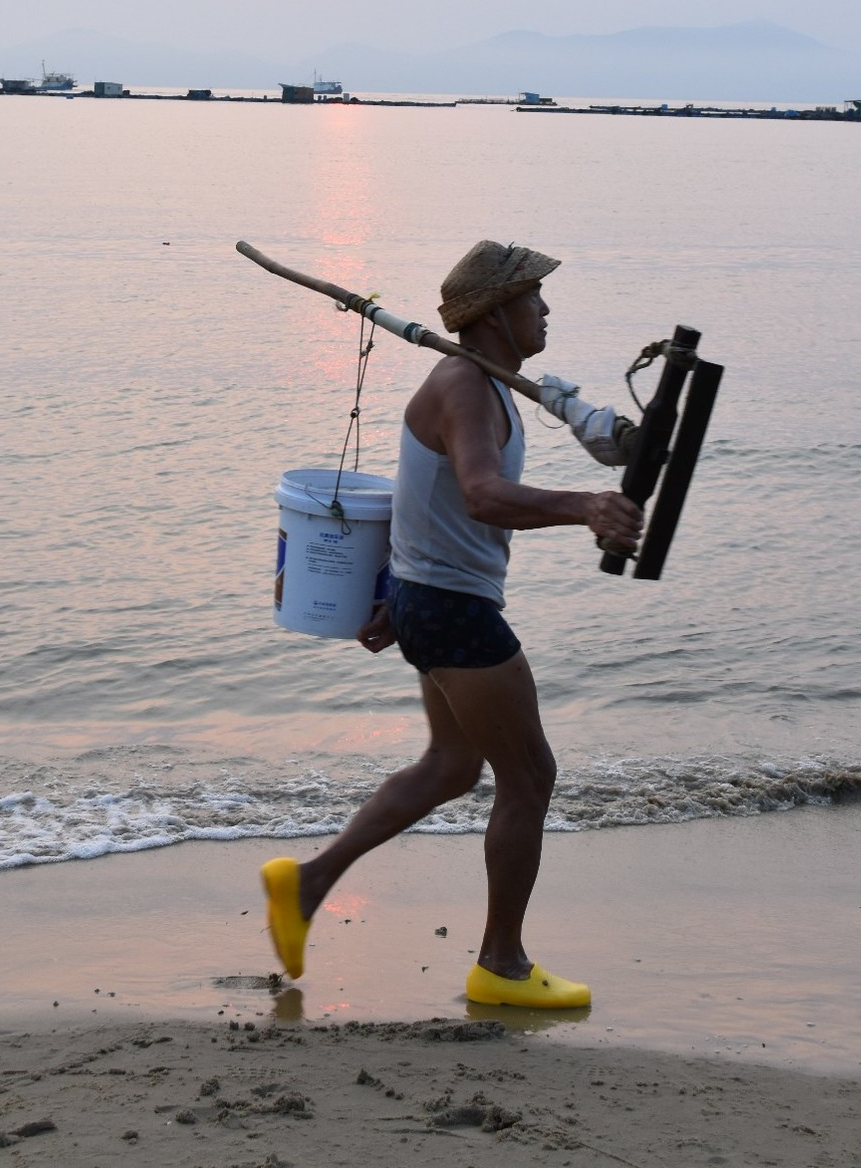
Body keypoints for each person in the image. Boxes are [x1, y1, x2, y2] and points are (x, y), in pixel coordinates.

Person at [260, 239, 644, 1009]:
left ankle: (305, 884)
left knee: (451, 768)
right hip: (455, 611)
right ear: (497, 312)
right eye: (534, 297)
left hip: (428, 599)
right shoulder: (465, 385)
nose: (545, 310)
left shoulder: (490, 384)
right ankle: (501, 967)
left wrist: (399, 599)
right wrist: (584, 507)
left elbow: (424, 499)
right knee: (530, 778)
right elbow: (479, 493)